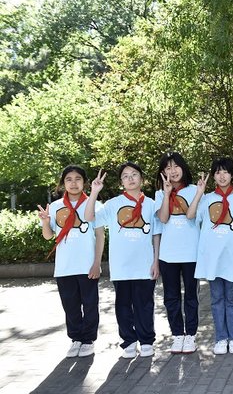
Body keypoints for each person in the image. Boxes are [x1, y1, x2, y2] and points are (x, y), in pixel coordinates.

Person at [85, 162, 161, 359]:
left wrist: (156, 261)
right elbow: (89, 217)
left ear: (141, 179)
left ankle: (146, 340)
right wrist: (94, 192)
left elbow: (156, 235)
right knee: (123, 305)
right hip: (121, 266)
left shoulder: (152, 204)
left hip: (144, 265)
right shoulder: (112, 204)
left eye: (134, 174)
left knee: (145, 304)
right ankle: (128, 340)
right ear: (121, 182)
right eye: (126, 176)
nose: (130, 178)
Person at [187, 157, 233, 355]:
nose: (222, 176)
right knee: (216, 299)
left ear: (232, 175)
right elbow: (190, 216)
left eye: (225, 172)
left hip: (232, 255)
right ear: (213, 176)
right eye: (218, 172)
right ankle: (221, 338)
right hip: (212, 257)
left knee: (231, 298)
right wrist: (199, 193)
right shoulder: (206, 199)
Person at [37, 165, 104, 358]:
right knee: (70, 305)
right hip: (64, 267)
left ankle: (88, 340)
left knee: (90, 304)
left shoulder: (94, 204)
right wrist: (44, 221)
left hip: (87, 265)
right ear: (63, 183)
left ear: (84, 182)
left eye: (78, 179)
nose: (73, 183)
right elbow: (49, 236)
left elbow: (100, 236)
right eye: (69, 179)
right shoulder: (56, 206)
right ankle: (76, 339)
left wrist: (96, 263)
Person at [154, 152, 199, 354]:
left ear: (183, 167)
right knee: (171, 297)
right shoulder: (158, 194)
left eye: (175, 166)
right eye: (167, 168)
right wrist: (166, 193)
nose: (172, 171)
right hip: (168, 254)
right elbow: (163, 219)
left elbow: (194, 218)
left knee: (191, 296)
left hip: (191, 253)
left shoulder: (195, 191)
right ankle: (177, 335)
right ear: (163, 172)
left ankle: (190, 335)